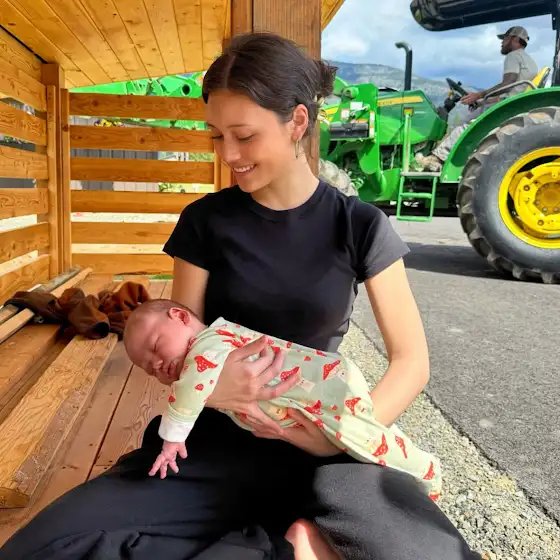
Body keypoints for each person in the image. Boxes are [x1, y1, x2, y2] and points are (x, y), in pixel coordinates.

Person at [0, 32, 482, 560]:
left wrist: (339, 435)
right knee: (47, 545)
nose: (228, 154)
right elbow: (182, 341)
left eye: (244, 136)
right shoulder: (205, 222)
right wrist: (217, 391)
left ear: (297, 122)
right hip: (219, 438)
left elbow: (411, 362)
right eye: (216, 136)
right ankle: (291, 548)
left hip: (323, 440)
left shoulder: (360, 225)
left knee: (426, 549)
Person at [123, 298, 443, 498]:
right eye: (149, 369)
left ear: (180, 317)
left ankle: (425, 470)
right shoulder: (209, 348)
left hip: (321, 389)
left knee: (365, 440)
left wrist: (172, 438)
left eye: (156, 347)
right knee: (366, 435)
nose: (157, 364)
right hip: (305, 408)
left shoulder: (207, 344)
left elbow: (193, 385)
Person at [416, 25, 538, 172]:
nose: (502, 42)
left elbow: (508, 83)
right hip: (512, 103)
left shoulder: (513, 56)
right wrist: (482, 101)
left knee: (467, 123)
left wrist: (479, 95)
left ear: (516, 39)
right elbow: (514, 91)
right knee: (474, 114)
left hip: (508, 106)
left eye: (505, 38)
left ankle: (437, 159)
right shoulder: (530, 60)